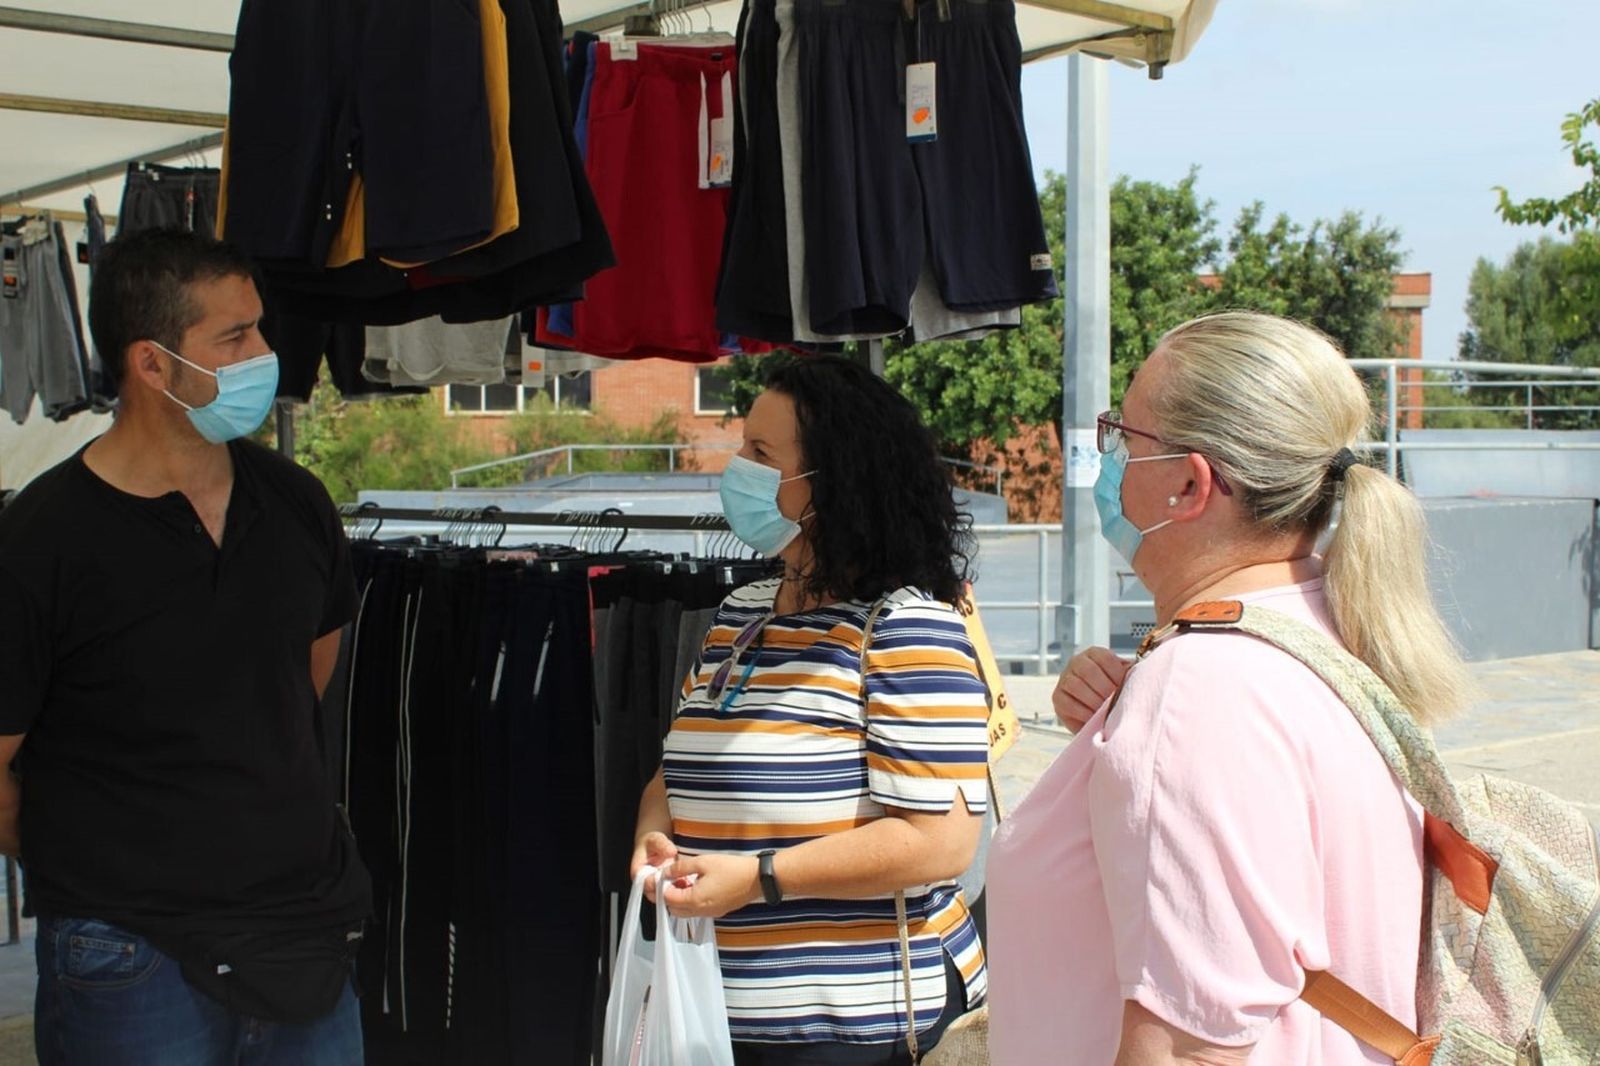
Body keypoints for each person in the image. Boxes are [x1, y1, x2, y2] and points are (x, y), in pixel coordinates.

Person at [985, 311, 1473, 1065]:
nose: (1110, 459)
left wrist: (1160, 715)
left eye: (1124, 434)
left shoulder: (1204, 689)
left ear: (1189, 482)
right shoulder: (1322, 628)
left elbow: (1187, 1051)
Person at [0, 228, 371, 1065]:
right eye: (233, 337)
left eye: (259, 328)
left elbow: (299, 678)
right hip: (132, 951)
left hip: (301, 931)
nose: (264, 353)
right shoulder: (40, 538)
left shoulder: (296, 501)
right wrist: (102, 866)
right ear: (152, 364)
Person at [630, 355, 990, 1065]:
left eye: (761, 453)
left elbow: (940, 843)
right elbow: (680, 768)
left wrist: (760, 877)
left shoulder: (906, 628)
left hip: (858, 1027)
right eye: (743, 445)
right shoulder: (741, 615)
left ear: (834, 484)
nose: (738, 467)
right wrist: (653, 832)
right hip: (713, 1013)